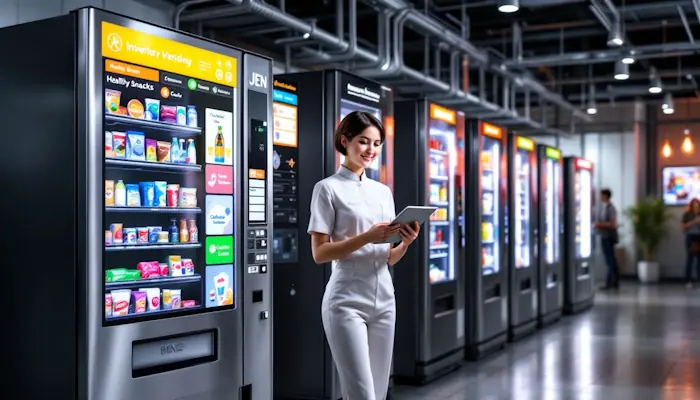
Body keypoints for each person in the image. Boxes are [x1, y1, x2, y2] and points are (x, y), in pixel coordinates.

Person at [307, 111, 420, 400]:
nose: (371, 150)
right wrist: (367, 237)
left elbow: (387, 258)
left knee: (379, 394)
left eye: (377, 143)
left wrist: (405, 243)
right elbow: (320, 253)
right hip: (346, 300)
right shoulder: (327, 189)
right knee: (362, 395)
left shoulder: (383, 191)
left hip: (384, 298)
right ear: (345, 141)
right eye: (363, 141)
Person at [594, 188, 620, 289]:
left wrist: (599, 224)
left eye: (602, 195)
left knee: (610, 259)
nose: (600, 197)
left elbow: (613, 224)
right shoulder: (603, 207)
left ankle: (610, 282)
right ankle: (613, 280)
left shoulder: (610, 208)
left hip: (608, 237)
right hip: (604, 236)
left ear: (606, 196)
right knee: (610, 259)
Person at [681, 198, 700, 288]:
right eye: (694, 204)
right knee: (690, 259)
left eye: (697, 204)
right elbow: (683, 226)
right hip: (690, 237)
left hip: (699, 237)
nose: (696, 206)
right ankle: (688, 280)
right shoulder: (687, 215)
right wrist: (694, 221)